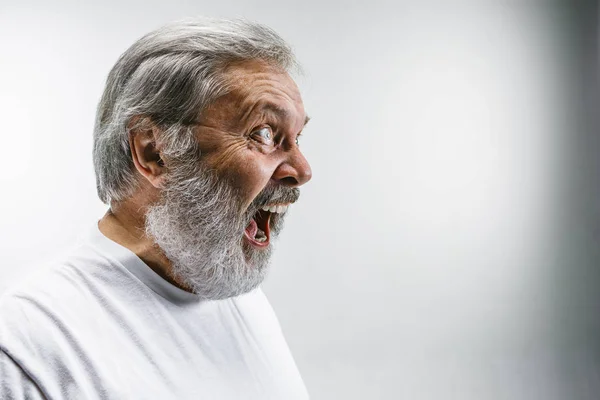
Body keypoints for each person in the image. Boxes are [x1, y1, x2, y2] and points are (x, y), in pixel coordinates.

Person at [0, 17, 312, 399]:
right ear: (154, 151)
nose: (302, 170)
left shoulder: (243, 300)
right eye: (263, 133)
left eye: (297, 138)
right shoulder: (26, 347)